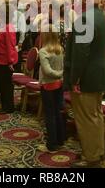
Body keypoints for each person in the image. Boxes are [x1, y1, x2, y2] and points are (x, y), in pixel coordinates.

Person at [64, 0, 105, 168]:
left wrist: (75, 79)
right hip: (97, 74)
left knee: (86, 119)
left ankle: (91, 158)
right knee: (95, 117)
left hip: (86, 77)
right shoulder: (100, 16)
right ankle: (96, 152)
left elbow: (81, 53)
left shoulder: (85, 19)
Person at [38, 25, 66, 153]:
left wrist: (58, 74)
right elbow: (63, 68)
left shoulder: (43, 51)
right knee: (57, 112)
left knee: (50, 115)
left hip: (48, 85)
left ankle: (52, 145)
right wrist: (61, 74)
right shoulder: (60, 49)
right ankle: (60, 139)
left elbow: (47, 71)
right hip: (59, 85)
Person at [0, 3, 18, 113]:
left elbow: (11, 46)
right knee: (1, 84)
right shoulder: (2, 26)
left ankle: (9, 107)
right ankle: (4, 105)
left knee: (6, 85)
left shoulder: (9, 27)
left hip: (6, 61)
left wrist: (11, 62)